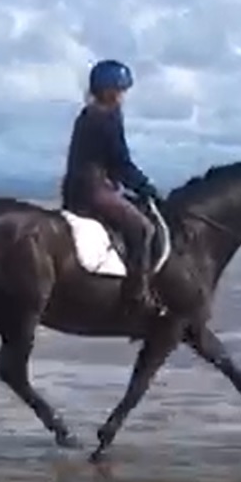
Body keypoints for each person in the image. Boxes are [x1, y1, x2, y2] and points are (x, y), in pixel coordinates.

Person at [60, 59, 162, 316]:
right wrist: (145, 186)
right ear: (108, 90)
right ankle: (137, 293)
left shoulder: (88, 113)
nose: (123, 96)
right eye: (120, 90)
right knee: (144, 228)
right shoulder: (107, 117)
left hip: (77, 187)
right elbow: (120, 162)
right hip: (94, 190)